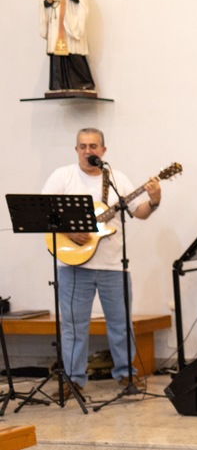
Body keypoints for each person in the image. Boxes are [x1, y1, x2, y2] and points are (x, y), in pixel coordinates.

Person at [42, 129, 161, 397]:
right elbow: (44, 209)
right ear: (76, 150)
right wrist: (69, 230)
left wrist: (154, 201)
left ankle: (126, 375)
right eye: (82, 146)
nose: (88, 151)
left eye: (93, 146)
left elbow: (138, 212)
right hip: (73, 265)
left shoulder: (117, 179)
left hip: (113, 266)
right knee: (74, 325)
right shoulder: (63, 177)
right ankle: (73, 379)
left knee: (120, 323)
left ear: (103, 151)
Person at [39, 0, 96, 94]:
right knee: (57, 57)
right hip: (56, 29)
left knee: (74, 55)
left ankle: (84, 83)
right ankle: (58, 85)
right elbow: (44, 4)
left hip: (69, 28)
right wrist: (48, 1)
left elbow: (79, 0)